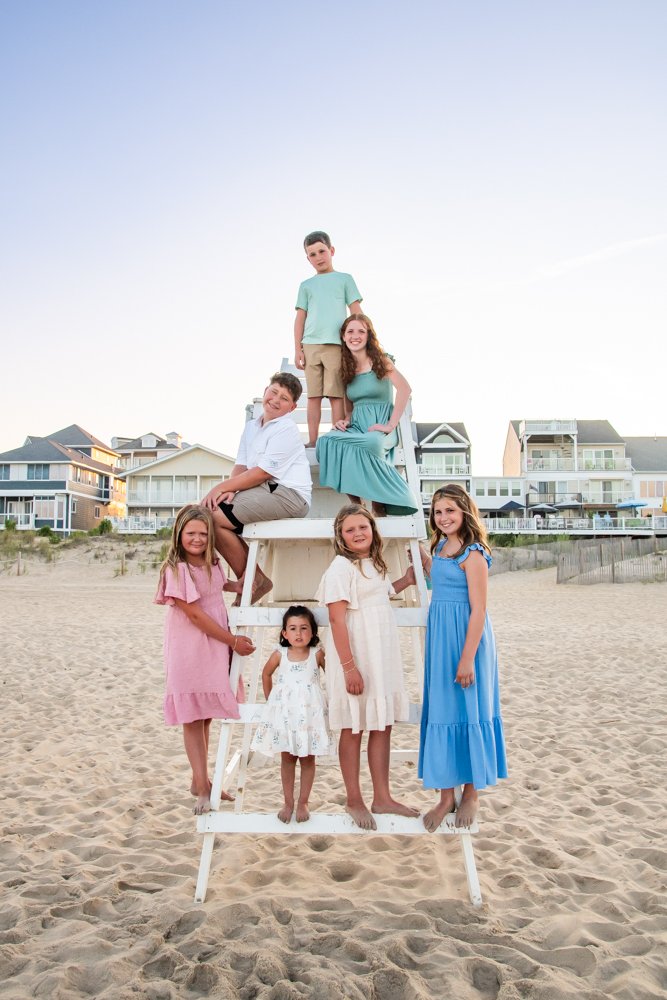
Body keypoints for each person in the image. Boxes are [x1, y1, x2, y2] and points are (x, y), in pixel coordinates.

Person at [316, 504, 419, 829]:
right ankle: (354, 799)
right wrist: (349, 668)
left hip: (381, 655)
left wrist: (408, 579)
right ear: (341, 536)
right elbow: (336, 618)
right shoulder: (340, 568)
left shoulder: (375, 564)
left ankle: (383, 796)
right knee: (353, 726)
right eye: (350, 530)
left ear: (373, 530)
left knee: (381, 723)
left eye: (363, 527)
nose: (358, 533)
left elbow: (382, 596)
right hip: (356, 657)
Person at [155, 505, 256, 815]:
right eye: (191, 533)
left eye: (202, 533)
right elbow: (196, 614)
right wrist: (233, 641)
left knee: (207, 713)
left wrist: (234, 585)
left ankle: (202, 779)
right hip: (193, 643)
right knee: (193, 716)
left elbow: (213, 584)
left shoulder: (212, 561)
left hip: (215, 640)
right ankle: (201, 786)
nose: (197, 539)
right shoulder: (176, 568)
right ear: (179, 535)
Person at [418, 485, 507, 831]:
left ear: (465, 512)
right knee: (442, 709)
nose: (444, 518)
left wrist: (467, 658)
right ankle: (445, 796)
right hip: (440, 639)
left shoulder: (474, 553)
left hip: (468, 640)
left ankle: (471, 793)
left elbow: (479, 609)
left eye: (450, 511)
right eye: (438, 512)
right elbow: (435, 576)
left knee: (470, 709)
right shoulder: (439, 546)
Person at [202, 372, 311, 604]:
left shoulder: (286, 429)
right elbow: (241, 463)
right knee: (208, 515)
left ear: (291, 408)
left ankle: (252, 581)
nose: (275, 399)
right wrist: (228, 490)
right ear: (265, 392)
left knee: (212, 516)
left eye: (284, 398)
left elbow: (263, 472)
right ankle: (255, 579)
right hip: (263, 490)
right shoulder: (252, 426)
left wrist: (221, 487)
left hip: (289, 495)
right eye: (274, 392)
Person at [316, 313, 418, 516]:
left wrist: (390, 425)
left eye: (361, 331)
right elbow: (350, 407)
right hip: (357, 425)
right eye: (350, 331)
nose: (355, 336)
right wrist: (345, 421)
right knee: (327, 441)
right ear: (343, 337)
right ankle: (358, 505)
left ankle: (381, 503)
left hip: (380, 425)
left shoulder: (381, 361)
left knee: (373, 444)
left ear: (369, 336)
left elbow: (405, 389)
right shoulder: (346, 368)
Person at [251, 605, 336, 823]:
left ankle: (303, 802)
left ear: (313, 632)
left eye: (304, 628)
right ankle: (288, 802)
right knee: (287, 759)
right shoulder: (280, 654)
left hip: (309, 717)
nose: (298, 634)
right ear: (284, 633)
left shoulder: (317, 654)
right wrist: (273, 701)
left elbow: (333, 677)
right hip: (286, 716)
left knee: (308, 759)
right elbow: (266, 674)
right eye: (293, 628)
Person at [294, 231, 362, 447]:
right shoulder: (306, 285)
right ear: (308, 258)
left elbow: (356, 311)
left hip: (336, 344)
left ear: (331, 251)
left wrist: (360, 340)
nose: (318, 257)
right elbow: (300, 318)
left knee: (335, 395)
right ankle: (313, 440)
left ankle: (336, 437)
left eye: (322, 251)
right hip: (310, 345)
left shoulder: (345, 279)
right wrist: (298, 348)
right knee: (313, 396)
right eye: (312, 254)